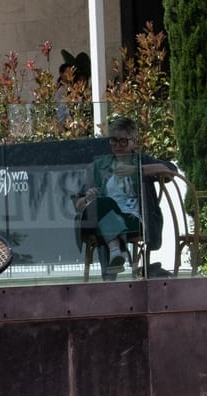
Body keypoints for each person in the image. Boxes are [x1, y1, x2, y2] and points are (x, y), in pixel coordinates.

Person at [73, 116, 177, 280]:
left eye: (123, 141)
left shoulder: (141, 161)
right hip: (104, 214)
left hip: (133, 219)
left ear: (133, 142)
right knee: (102, 205)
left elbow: (171, 170)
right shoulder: (100, 166)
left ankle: (111, 276)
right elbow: (78, 205)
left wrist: (135, 170)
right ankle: (116, 249)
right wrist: (87, 199)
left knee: (103, 225)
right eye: (113, 141)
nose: (117, 146)